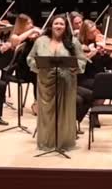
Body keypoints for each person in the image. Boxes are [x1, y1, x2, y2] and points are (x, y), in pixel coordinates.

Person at [26, 15, 86, 151]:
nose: (58, 26)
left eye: (62, 24)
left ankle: (63, 143)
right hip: (45, 83)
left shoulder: (73, 42)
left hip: (66, 83)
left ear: (66, 27)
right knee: (46, 114)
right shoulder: (40, 41)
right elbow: (30, 58)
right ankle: (47, 143)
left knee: (64, 113)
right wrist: (39, 64)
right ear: (51, 26)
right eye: (56, 24)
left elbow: (82, 60)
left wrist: (75, 67)